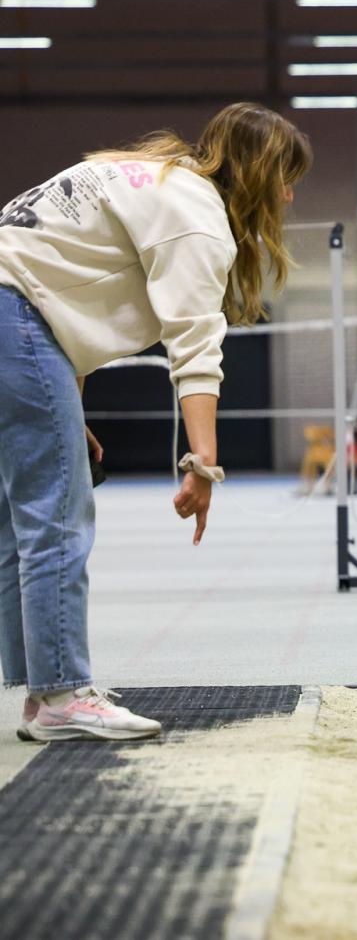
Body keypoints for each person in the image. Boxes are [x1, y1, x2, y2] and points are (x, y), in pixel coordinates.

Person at [0, 102, 311, 740]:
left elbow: (65, 289)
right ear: (258, 173)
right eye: (286, 178)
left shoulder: (147, 171)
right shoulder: (196, 216)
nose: (287, 195)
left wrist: (68, 404)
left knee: (19, 519)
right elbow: (194, 349)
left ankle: (41, 691)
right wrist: (203, 464)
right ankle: (60, 695)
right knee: (58, 511)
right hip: (15, 317)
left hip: (21, 316)